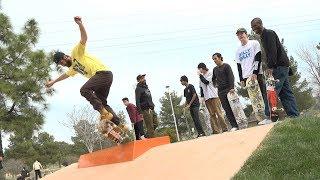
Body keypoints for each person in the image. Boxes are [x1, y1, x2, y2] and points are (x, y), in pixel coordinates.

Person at [45, 16, 124, 134]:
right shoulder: (72, 68)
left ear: (65, 57)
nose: (63, 64)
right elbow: (65, 75)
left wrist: (80, 24)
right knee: (101, 101)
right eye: (61, 64)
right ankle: (120, 126)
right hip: (103, 79)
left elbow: (84, 38)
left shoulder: (76, 53)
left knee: (84, 90)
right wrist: (53, 82)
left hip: (103, 73)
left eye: (62, 62)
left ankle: (104, 113)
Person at [251, 18, 299, 118]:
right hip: (282, 66)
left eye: (255, 26)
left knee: (271, 90)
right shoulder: (264, 36)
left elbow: (273, 51)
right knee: (286, 93)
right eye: (252, 27)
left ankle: (270, 116)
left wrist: (271, 67)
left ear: (261, 24)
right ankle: (294, 116)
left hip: (278, 66)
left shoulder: (268, 33)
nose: (254, 28)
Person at [235, 27, 270, 124]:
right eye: (238, 34)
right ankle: (261, 117)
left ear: (246, 34)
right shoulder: (238, 50)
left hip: (256, 74)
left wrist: (255, 72)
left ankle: (269, 115)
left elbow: (258, 58)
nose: (240, 35)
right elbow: (239, 65)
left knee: (262, 94)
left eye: (242, 33)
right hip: (246, 76)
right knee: (254, 98)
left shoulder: (254, 43)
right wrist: (241, 78)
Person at [197, 63, 228, 134]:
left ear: (202, 68)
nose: (199, 71)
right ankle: (216, 130)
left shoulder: (210, 73)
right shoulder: (201, 77)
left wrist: (200, 75)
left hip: (214, 96)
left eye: (199, 69)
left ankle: (224, 128)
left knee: (218, 112)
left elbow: (206, 82)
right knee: (212, 114)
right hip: (207, 98)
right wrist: (202, 97)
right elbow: (201, 87)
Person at [212, 53, 239, 131]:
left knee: (234, 107)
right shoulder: (215, 69)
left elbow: (231, 77)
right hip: (220, 92)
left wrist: (232, 87)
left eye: (215, 58)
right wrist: (215, 84)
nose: (214, 60)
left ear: (220, 58)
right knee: (226, 109)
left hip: (229, 90)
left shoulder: (226, 66)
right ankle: (234, 126)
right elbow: (213, 79)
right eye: (213, 59)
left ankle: (240, 122)